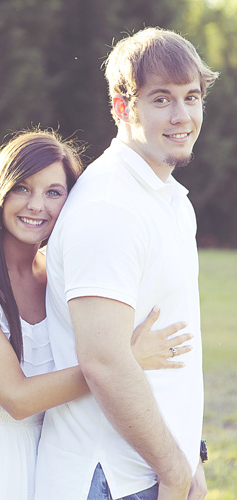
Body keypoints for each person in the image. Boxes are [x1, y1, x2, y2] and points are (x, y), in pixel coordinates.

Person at [0, 130, 192, 500]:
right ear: (0, 191)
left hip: (49, 464)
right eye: (22, 188)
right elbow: (16, 398)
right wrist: (124, 360)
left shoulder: (60, 278)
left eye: (53, 193)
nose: (36, 205)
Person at [34, 27, 219, 500]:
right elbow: (105, 361)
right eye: (161, 100)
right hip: (109, 479)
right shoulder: (111, 206)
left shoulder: (168, 198)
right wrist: (174, 471)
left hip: (152, 472)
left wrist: (187, 459)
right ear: (122, 107)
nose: (182, 116)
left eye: (191, 97)